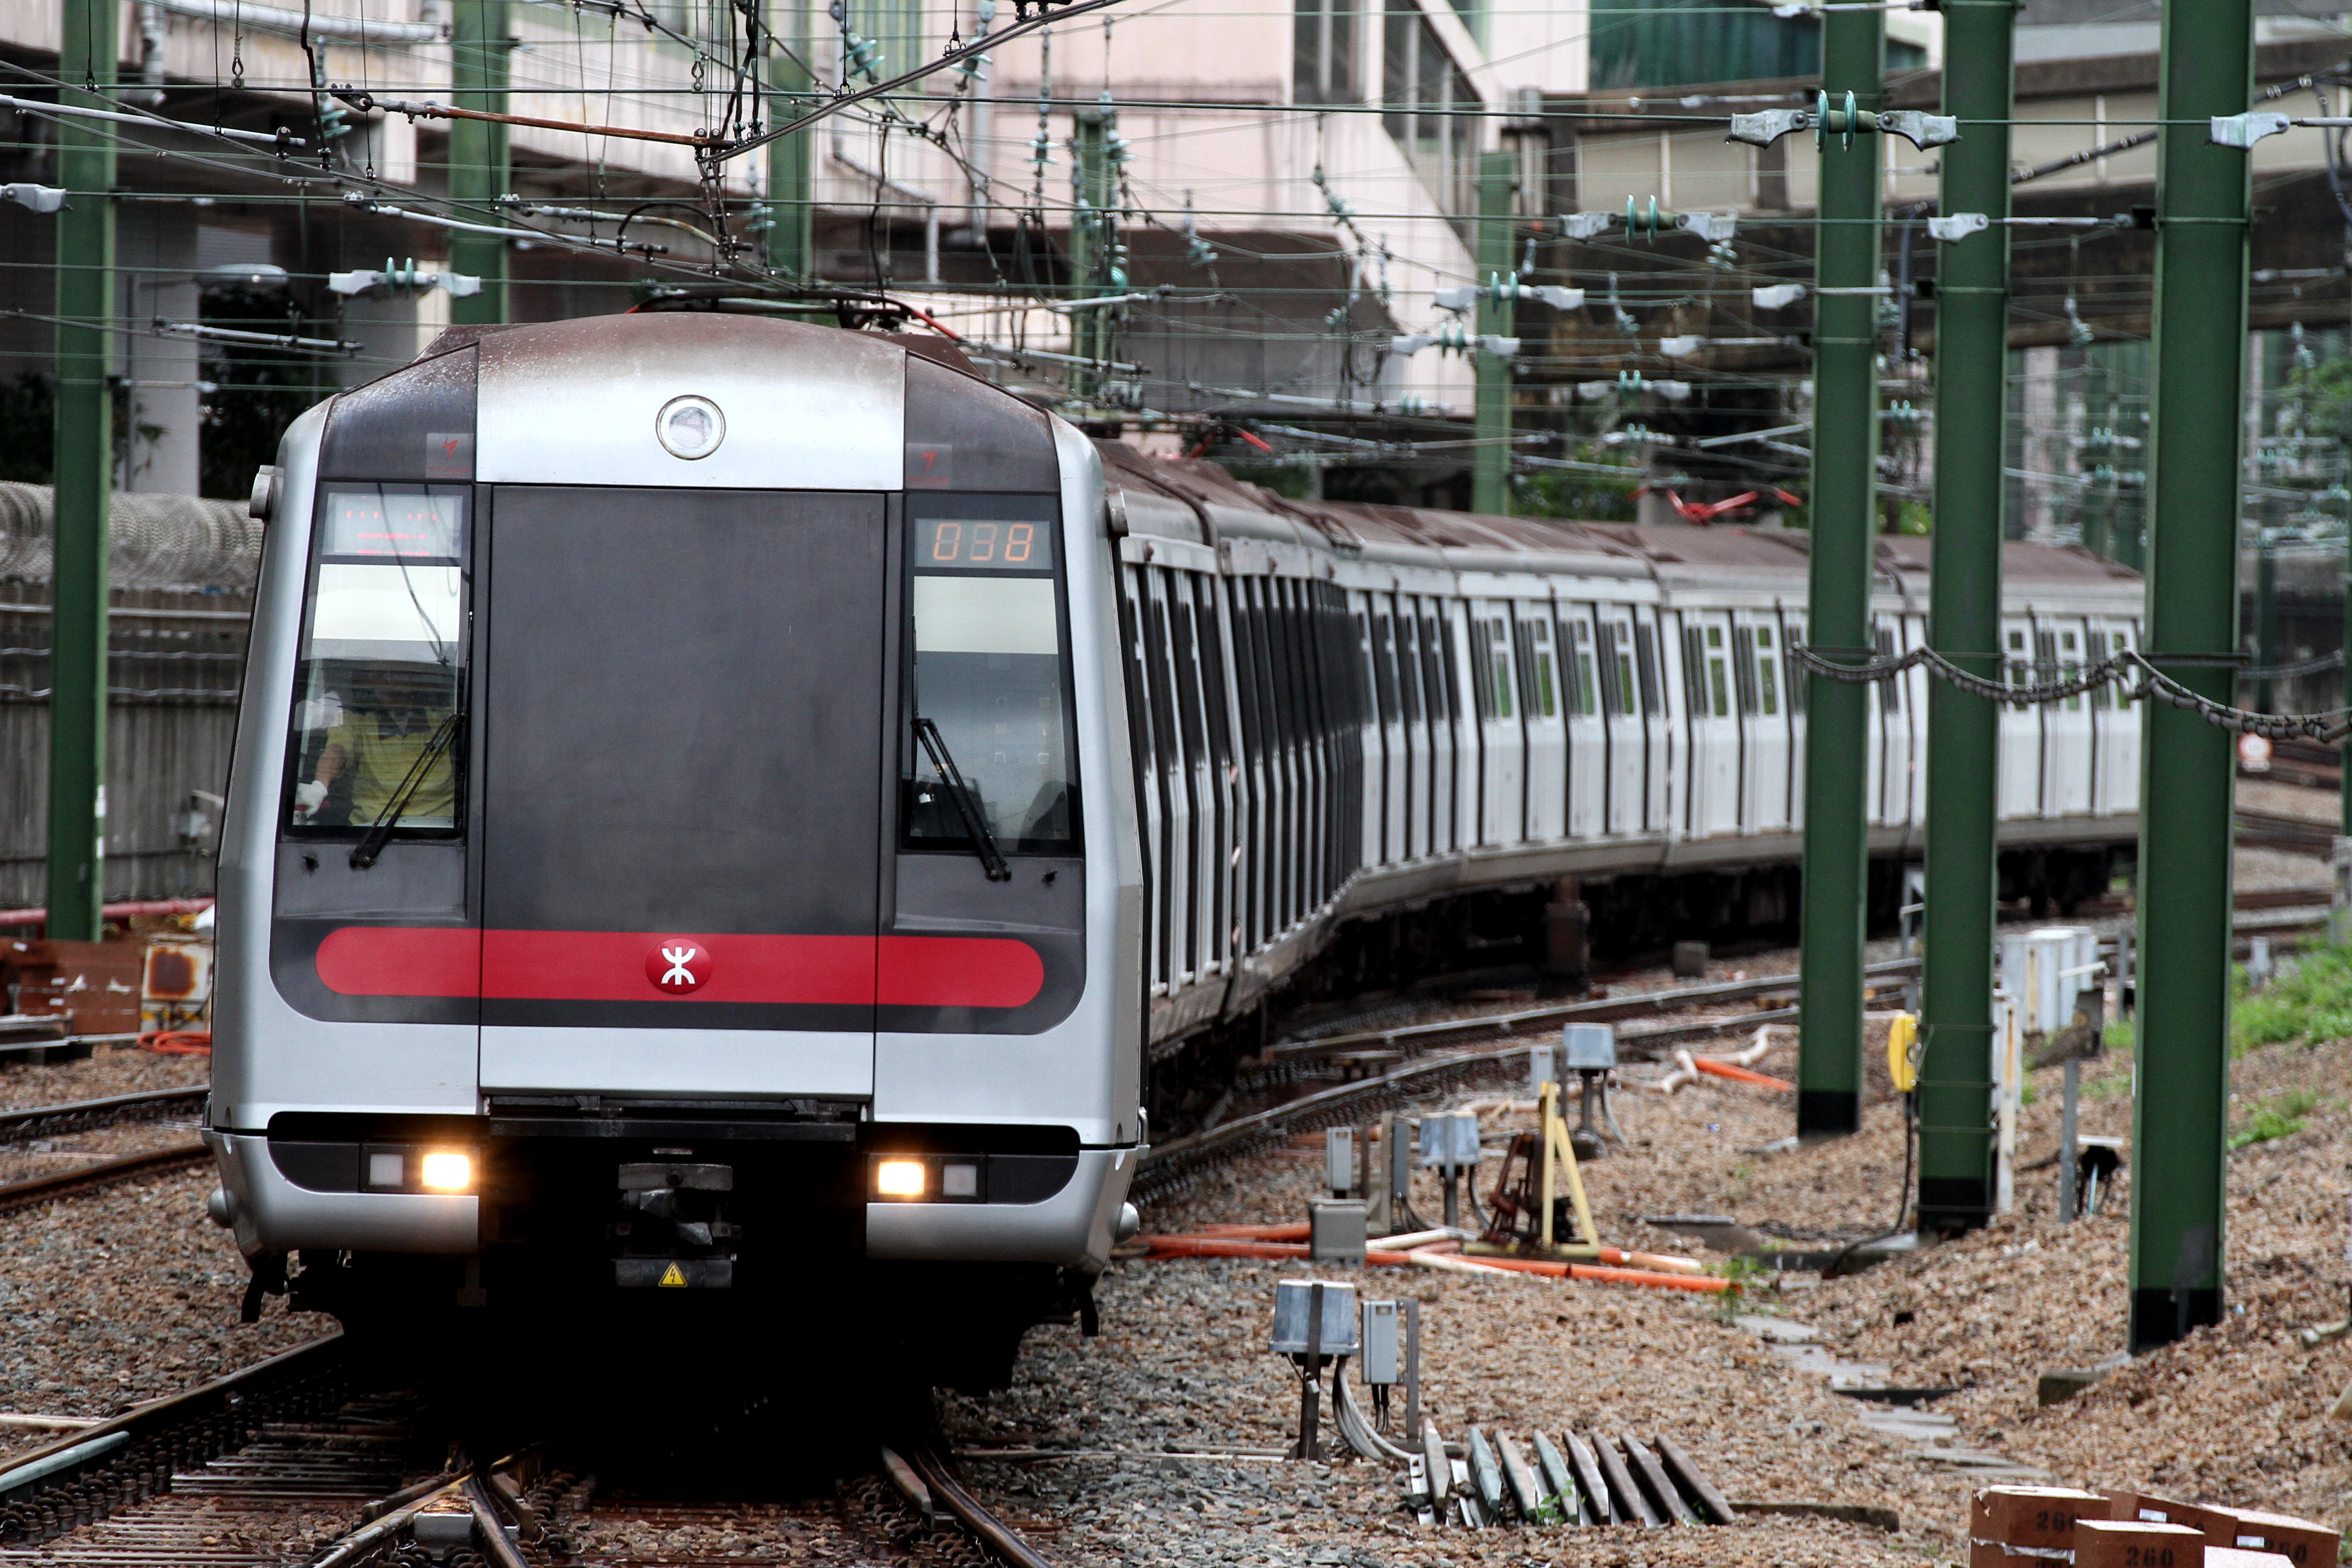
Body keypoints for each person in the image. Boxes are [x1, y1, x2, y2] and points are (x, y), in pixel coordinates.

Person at [294, 664, 458, 828]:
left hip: (441, 832)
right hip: (373, 831)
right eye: (380, 678)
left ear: (411, 680)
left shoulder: (444, 719)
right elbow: (337, 752)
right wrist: (320, 787)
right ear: (369, 684)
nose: (389, 685)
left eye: (397, 676)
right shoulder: (356, 722)